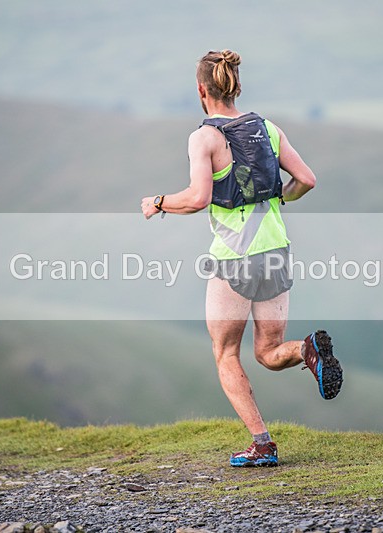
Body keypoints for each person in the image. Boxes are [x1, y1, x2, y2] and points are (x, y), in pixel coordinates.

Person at [141, 49, 342, 467]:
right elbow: (307, 180)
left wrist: (159, 202)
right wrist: (277, 198)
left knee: (226, 353)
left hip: (233, 258)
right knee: (268, 352)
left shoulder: (204, 137)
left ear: (201, 89)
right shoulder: (268, 128)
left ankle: (263, 445)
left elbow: (197, 198)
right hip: (276, 250)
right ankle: (307, 349)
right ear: (235, 85)